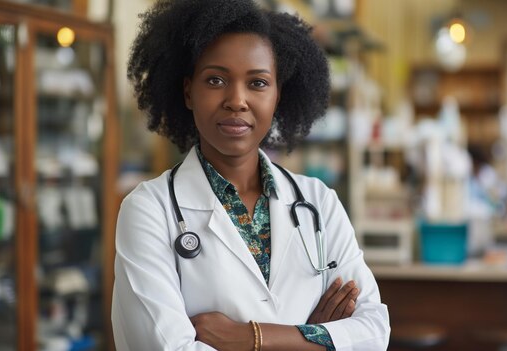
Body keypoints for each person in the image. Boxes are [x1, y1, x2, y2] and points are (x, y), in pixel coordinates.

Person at [112, 0, 390, 350]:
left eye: (257, 83)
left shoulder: (318, 202)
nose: (237, 100)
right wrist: (311, 339)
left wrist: (251, 338)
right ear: (188, 92)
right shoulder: (149, 210)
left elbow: (374, 333)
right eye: (216, 80)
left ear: (277, 96)